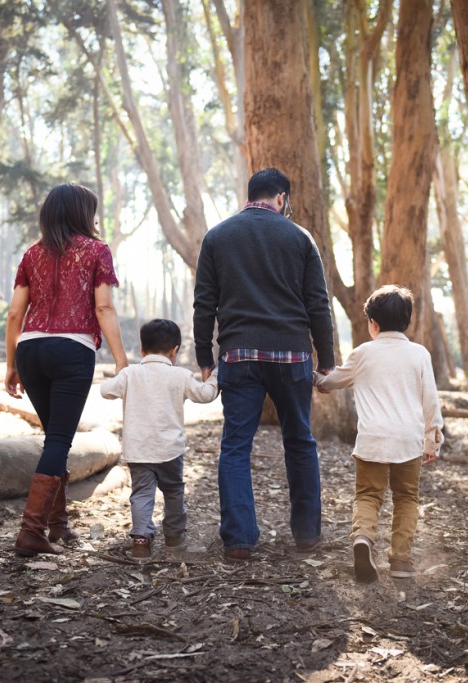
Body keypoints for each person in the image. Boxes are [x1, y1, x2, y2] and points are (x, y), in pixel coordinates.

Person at [193, 167, 336, 562]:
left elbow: (204, 303)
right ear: (281, 198)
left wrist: (205, 357)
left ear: (251, 194)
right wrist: (327, 361)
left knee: (235, 446)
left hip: (239, 355)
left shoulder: (217, 236)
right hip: (292, 355)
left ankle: (239, 541)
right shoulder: (300, 237)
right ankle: (307, 536)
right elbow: (317, 305)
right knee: (300, 441)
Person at [5, 183, 129, 557]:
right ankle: (31, 531)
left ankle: (58, 526)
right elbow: (103, 308)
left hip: (30, 349)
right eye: (90, 210)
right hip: (71, 349)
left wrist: (11, 364)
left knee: (54, 438)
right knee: (59, 440)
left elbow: (14, 313)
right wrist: (121, 358)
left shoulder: (31, 254)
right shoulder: (96, 251)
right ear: (81, 213)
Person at [313, 285, 444, 582]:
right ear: (407, 321)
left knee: (368, 495)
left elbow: (334, 380)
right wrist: (432, 440)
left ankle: (363, 538)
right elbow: (430, 400)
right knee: (406, 497)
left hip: (372, 439)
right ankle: (400, 560)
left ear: (373, 323)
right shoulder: (419, 354)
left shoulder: (363, 353)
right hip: (407, 441)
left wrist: (318, 380)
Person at [100, 319, 219, 559]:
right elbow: (205, 395)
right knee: (174, 491)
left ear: (142, 350)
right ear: (175, 351)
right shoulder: (181, 375)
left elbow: (105, 390)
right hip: (170, 451)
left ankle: (141, 540)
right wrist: (215, 376)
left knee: (142, 493)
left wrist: (122, 373)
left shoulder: (131, 374)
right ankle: (174, 537)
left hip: (138, 451)